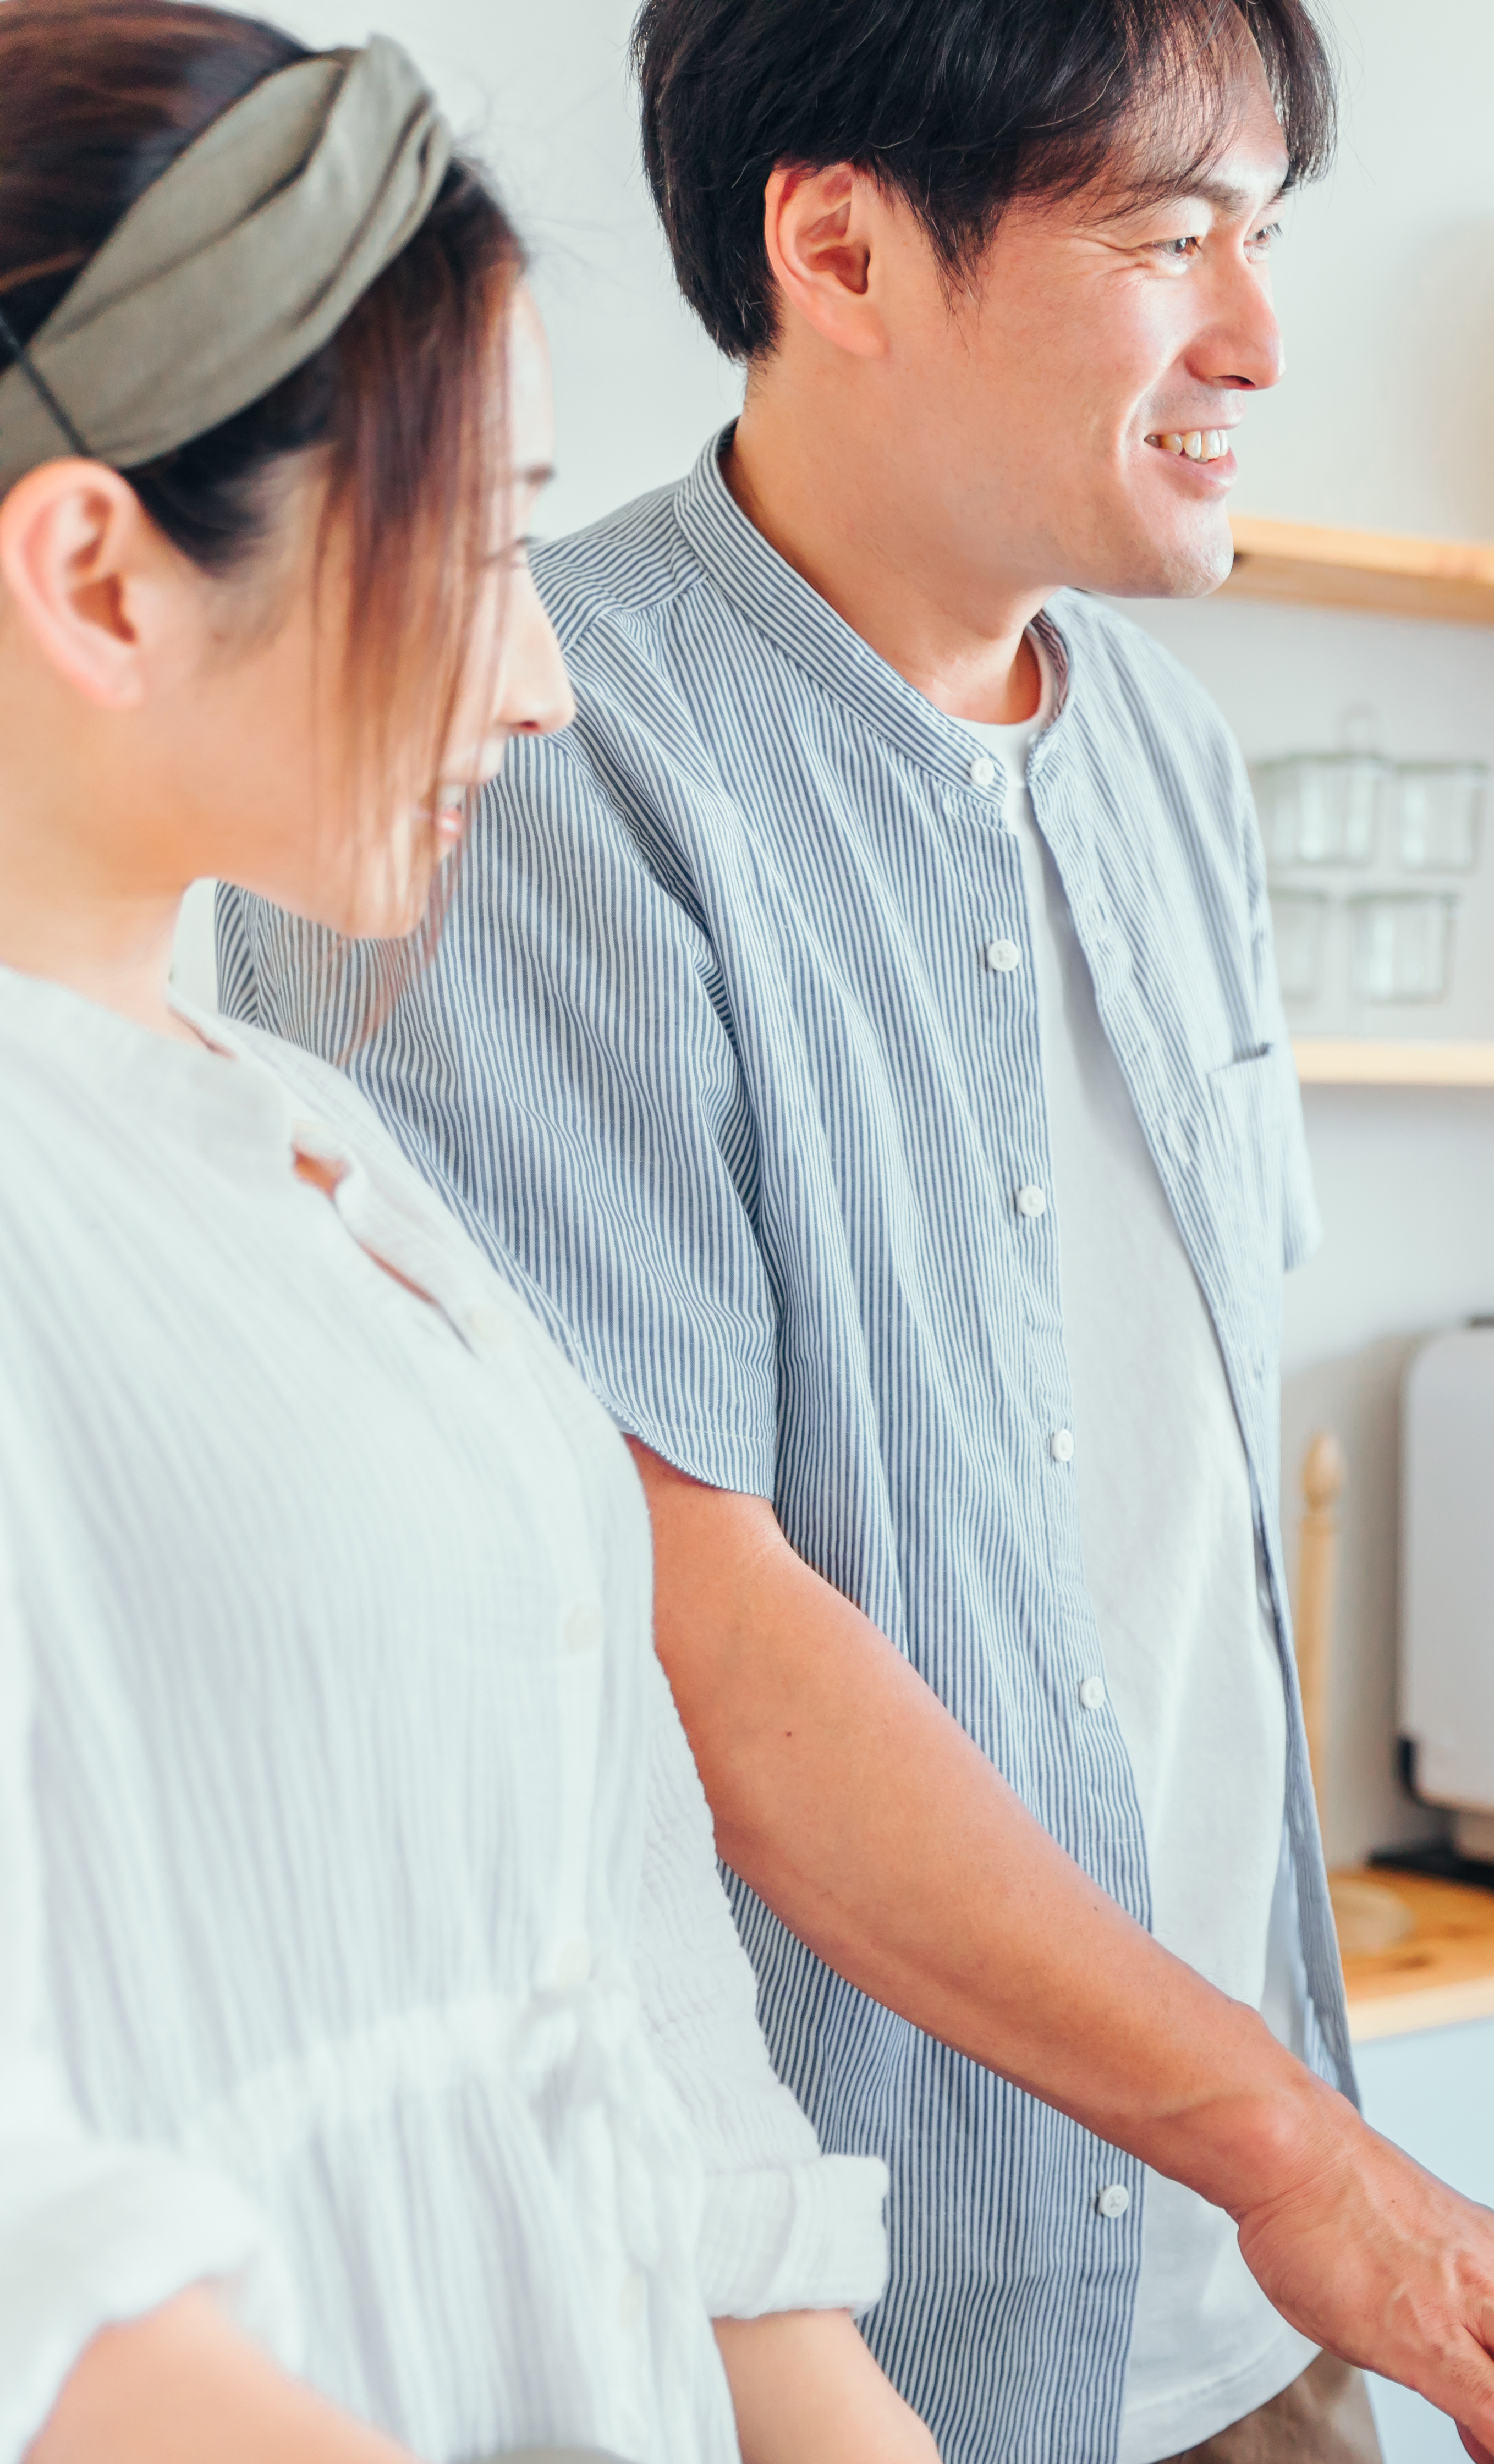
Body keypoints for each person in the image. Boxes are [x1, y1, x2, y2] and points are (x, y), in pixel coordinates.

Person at [225, 5, 1494, 2463]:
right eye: (1169, 241)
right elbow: (674, 1625)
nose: (1257, 338)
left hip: (1258, 2286)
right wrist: (1278, 2132)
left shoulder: (1168, 752)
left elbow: (1174, 1504)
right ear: (840, 246)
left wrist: (1284, 2143)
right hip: (840, 2318)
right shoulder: (535, 758)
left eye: (1265, 237)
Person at [0, 11, 933, 2462]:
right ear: (97, 571)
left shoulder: (322, 1152)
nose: (537, 683)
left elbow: (634, 2020)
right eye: (480, 546)